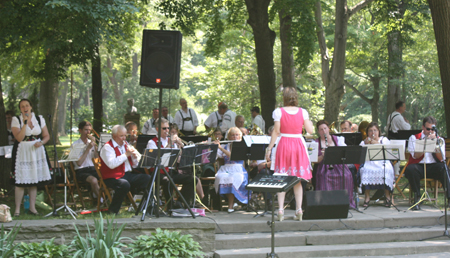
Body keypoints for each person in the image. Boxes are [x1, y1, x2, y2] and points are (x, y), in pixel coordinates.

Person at [266, 87, 314, 221]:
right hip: (298, 143)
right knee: (297, 179)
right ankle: (299, 210)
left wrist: (269, 148)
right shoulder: (303, 112)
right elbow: (310, 130)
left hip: (284, 144)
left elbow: (276, 131)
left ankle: (280, 210)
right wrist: (308, 121)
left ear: (284, 98)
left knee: (282, 177)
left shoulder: (278, 112)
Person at [146, 119, 204, 206]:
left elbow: (179, 160)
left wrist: (181, 148)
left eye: (168, 128)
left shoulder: (172, 141)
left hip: (172, 171)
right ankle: (170, 206)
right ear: (157, 129)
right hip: (159, 172)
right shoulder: (152, 142)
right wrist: (169, 144)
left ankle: (181, 203)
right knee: (167, 181)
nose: (167, 131)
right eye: (164, 128)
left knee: (193, 179)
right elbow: (157, 161)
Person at [11, 99, 52, 216]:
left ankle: (32, 208)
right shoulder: (16, 120)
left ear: (31, 107)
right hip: (22, 151)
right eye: (22, 107)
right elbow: (19, 138)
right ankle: (17, 209)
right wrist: (24, 123)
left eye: (27, 106)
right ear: (20, 109)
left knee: (33, 180)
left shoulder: (39, 119)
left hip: (36, 151)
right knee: (20, 181)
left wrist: (42, 142)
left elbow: (46, 135)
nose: (25, 108)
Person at [100, 125, 150, 214]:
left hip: (126, 174)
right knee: (124, 184)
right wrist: (126, 154)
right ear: (114, 136)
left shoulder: (126, 145)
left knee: (147, 178)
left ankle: (147, 207)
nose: (124, 138)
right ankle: (112, 211)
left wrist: (135, 157)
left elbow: (134, 165)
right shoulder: (107, 147)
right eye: (121, 136)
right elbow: (111, 164)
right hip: (111, 177)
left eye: (125, 136)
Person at [404, 116, 450, 210]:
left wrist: (435, 143)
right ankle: (417, 198)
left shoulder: (439, 139)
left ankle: (449, 198)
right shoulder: (414, 138)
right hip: (419, 165)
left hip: (433, 166)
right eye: (428, 129)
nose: (430, 131)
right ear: (423, 127)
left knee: (444, 168)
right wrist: (425, 142)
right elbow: (415, 156)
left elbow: (441, 158)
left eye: (432, 129)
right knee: (410, 169)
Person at [315, 120, 355, 208]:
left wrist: (334, 152)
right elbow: (314, 161)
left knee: (347, 175)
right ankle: (326, 204)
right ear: (318, 131)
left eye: (325, 128)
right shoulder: (316, 142)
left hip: (338, 165)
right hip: (323, 166)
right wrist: (322, 155)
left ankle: (345, 202)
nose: (324, 131)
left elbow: (344, 154)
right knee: (324, 177)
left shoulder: (338, 139)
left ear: (328, 129)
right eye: (321, 129)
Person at [358, 122, 395, 208]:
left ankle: (387, 196)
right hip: (369, 162)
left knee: (386, 170)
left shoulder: (384, 140)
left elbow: (387, 149)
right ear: (367, 132)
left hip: (382, 162)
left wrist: (375, 143)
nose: (373, 133)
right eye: (370, 131)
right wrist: (366, 144)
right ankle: (367, 197)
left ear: (378, 131)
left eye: (375, 130)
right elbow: (360, 154)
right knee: (365, 171)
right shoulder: (364, 142)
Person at [214, 127, 249, 213]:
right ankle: (233, 202)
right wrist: (214, 147)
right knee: (220, 177)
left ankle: (231, 204)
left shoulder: (242, 145)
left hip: (238, 169)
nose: (235, 137)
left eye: (237, 135)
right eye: (232, 135)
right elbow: (216, 157)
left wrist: (221, 148)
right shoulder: (225, 145)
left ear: (240, 136)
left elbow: (233, 155)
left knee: (233, 179)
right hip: (226, 168)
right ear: (229, 137)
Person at [72, 121, 100, 200]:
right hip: (81, 171)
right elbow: (79, 163)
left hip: (93, 168)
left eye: (89, 130)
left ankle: (106, 197)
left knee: (108, 176)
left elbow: (97, 159)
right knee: (94, 180)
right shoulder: (75, 145)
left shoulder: (91, 143)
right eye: (85, 130)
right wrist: (88, 148)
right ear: (80, 130)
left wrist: (95, 148)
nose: (88, 132)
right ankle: (101, 201)